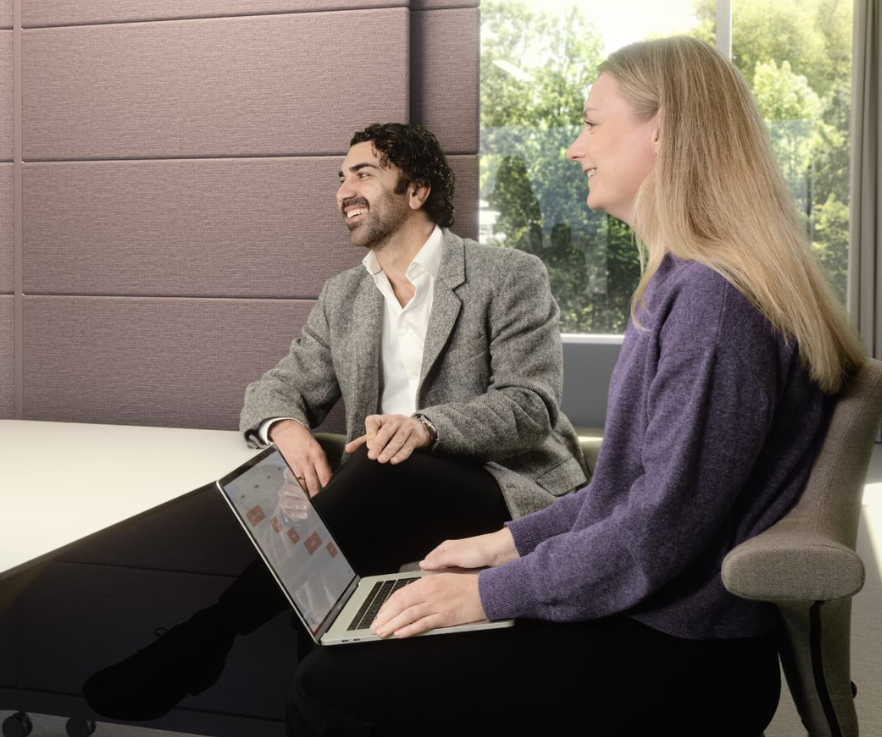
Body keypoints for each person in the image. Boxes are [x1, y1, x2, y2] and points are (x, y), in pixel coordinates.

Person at [283, 37, 867, 736]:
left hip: (681, 653)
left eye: (591, 124)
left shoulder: (712, 304)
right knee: (356, 649)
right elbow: (629, 492)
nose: (573, 148)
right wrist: (504, 543)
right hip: (659, 617)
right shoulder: (686, 282)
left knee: (328, 686)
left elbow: (654, 532)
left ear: (663, 130)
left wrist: (485, 594)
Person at [83, 123, 588, 721]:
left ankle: (210, 632)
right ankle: (267, 662)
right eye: (341, 177)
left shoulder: (508, 274)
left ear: (417, 191)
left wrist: (426, 427)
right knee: (304, 545)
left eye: (363, 174)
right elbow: (277, 387)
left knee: (375, 464)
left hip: (497, 488)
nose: (345, 190)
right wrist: (286, 429)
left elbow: (530, 405)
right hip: (382, 498)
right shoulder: (343, 296)